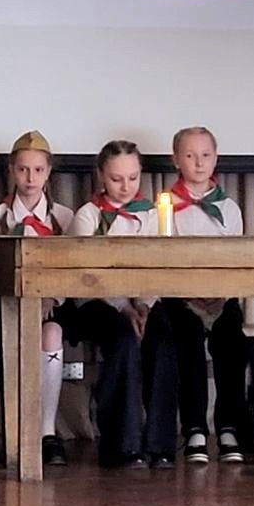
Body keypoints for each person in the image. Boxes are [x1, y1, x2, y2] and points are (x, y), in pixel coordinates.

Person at [67, 140, 176, 468]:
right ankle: (122, 445)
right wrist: (123, 306)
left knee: (163, 340)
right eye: (116, 179)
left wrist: (143, 305)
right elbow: (88, 272)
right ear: (101, 175)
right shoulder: (88, 216)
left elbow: (159, 265)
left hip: (143, 299)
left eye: (132, 177)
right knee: (123, 339)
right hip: (98, 302)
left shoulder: (153, 215)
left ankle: (160, 445)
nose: (126, 186)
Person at [0, 130, 75, 467]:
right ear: (12, 170)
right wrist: (23, 300)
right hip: (10, 305)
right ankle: (16, 430)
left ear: (48, 172)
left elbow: (73, 267)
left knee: (51, 332)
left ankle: (47, 431)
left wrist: (50, 297)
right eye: (23, 169)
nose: (30, 178)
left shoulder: (64, 218)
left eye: (38, 170)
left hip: (54, 305)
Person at [165, 126, 253, 464]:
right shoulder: (165, 206)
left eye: (205, 155)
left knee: (232, 342)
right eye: (190, 155)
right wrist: (189, 294)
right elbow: (163, 260)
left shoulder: (229, 208)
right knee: (187, 344)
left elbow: (236, 261)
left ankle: (228, 427)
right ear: (176, 160)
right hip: (181, 300)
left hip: (221, 299)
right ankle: (195, 429)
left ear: (216, 158)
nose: (199, 163)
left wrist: (221, 295)